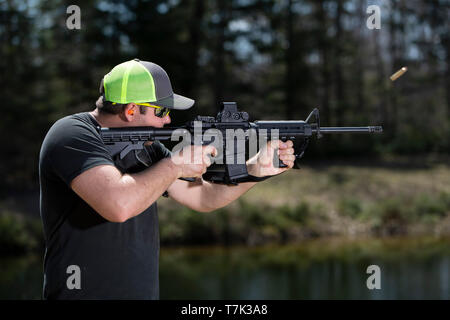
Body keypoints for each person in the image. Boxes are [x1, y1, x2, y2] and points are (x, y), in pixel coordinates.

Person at [39, 58, 296, 299]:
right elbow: (118, 205)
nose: (169, 119)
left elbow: (203, 197)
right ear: (131, 110)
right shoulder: (71, 134)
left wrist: (255, 170)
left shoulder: (147, 146)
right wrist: (175, 165)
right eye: (161, 111)